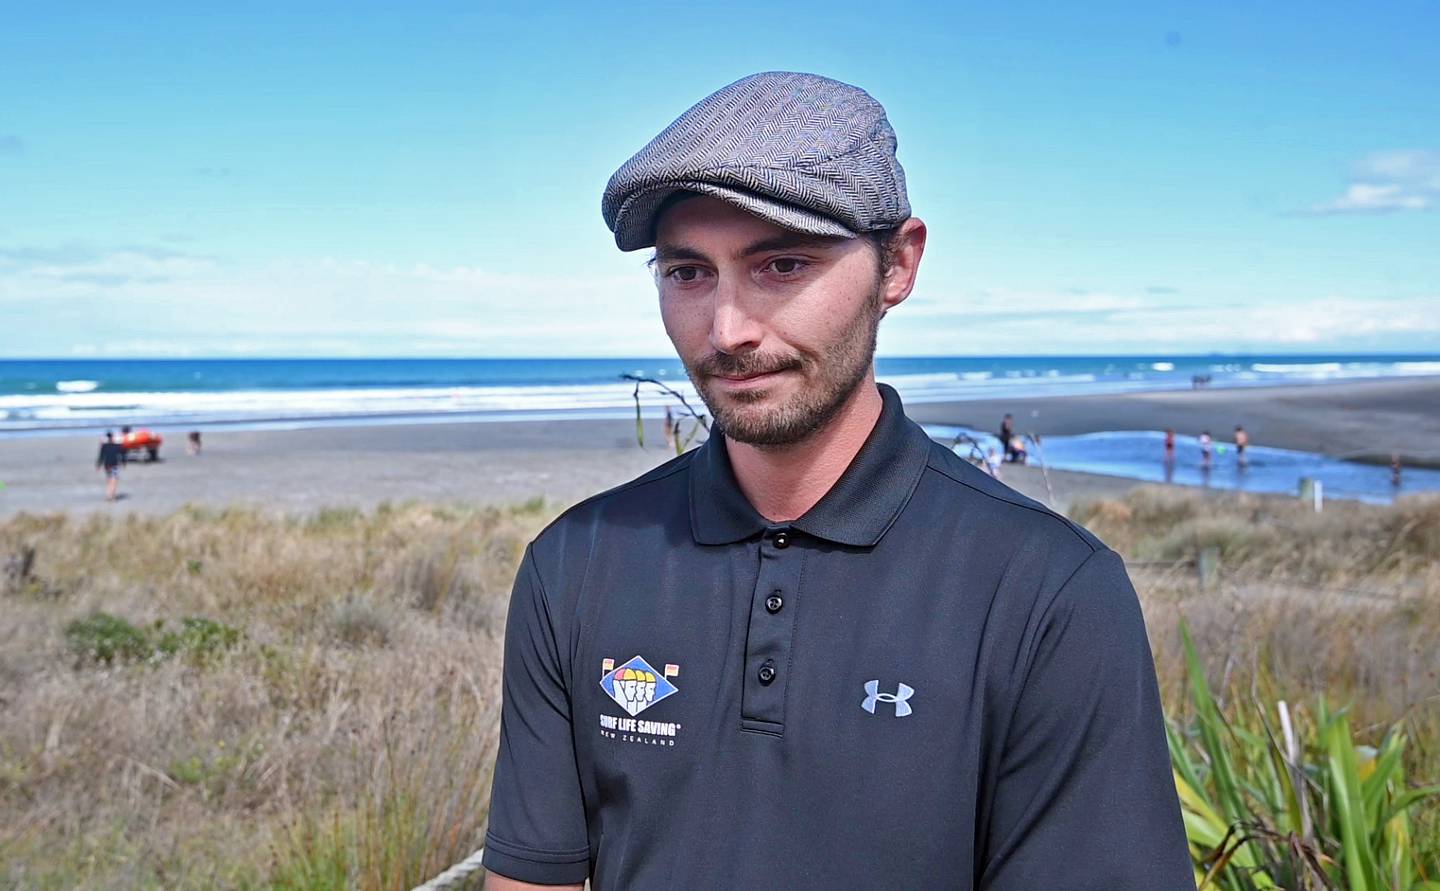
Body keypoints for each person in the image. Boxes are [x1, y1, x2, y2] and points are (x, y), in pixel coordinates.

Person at [482, 72, 1189, 890]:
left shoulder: (1049, 592)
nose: (728, 329)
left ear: (899, 264)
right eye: (687, 273)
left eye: (782, 264)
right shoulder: (576, 563)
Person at [95, 431, 125, 502]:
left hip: (107, 465)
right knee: (114, 481)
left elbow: (101, 456)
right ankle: (112, 497)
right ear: (112, 437)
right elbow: (122, 453)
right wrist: (123, 463)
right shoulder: (116, 446)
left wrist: (98, 465)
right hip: (114, 465)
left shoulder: (104, 446)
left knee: (109, 480)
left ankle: (109, 495)